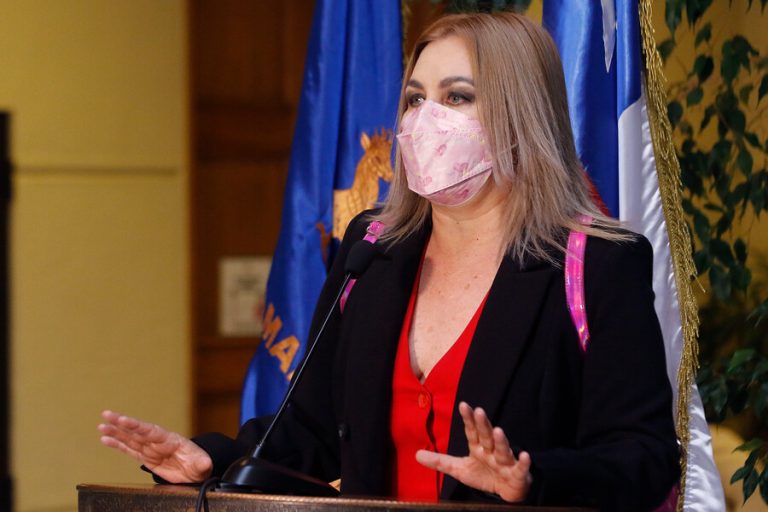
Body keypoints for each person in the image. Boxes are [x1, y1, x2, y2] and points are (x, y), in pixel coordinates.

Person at [99, 11, 679, 510]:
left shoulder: (595, 263)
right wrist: (212, 459)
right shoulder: (374, 246)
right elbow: (313, 428)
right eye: (415, 98)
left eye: (456, 96)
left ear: (520, 113)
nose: (425, 118)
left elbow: (644, 458)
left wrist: (532, 478)